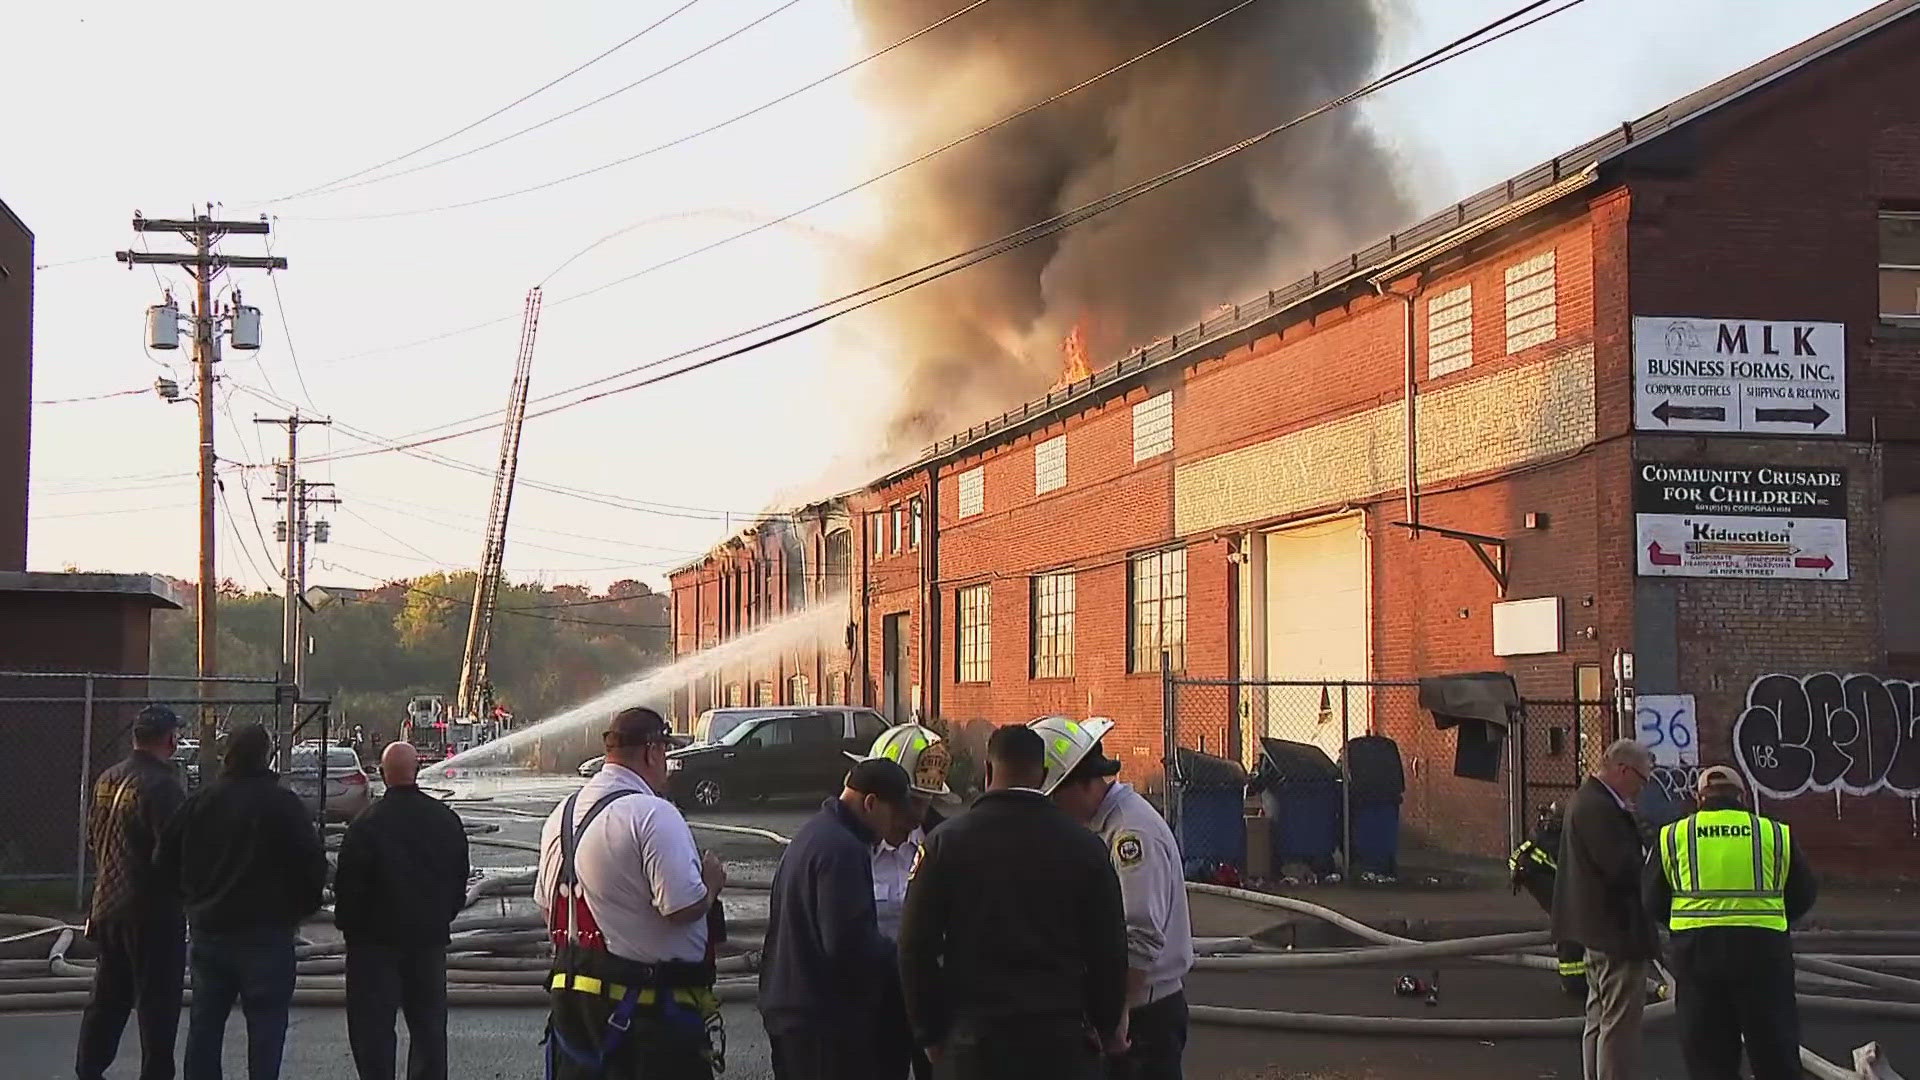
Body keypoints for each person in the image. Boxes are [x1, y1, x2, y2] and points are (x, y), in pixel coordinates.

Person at [898, 724, 1129, 1080]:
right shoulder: (1084, 848)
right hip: (1060, 1042)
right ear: (1045, 775)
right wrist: (1104, 1024)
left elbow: (915, 947)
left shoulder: (945, 844)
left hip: (974, 1041)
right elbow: (1109, 949)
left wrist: (929, 1032)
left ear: (987, 770)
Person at [536, 706, 728, 1080]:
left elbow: (549, 909)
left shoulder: (563, 813)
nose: (667, 765)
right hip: (648, 1021)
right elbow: (682, 908)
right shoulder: (653, 814)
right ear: (652, 751)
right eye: (666, 755)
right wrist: (711, 885)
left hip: (576, 1014)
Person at [156, 722, 328, 1080]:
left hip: (210, 929)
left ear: (227, 754)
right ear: (266, 755)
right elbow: (313, 865)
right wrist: (299, 909)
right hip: (267, 932)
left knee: (205, 1024)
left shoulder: (200, 802)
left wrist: (191, 900)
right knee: (266, 1027)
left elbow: (163, 860)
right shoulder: (282, 804)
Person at [1031, 715, 1194, 1080]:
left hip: (1143, 1015)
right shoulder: (1103, 826)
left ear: (1082, 785)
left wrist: (1115, 1021)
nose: (1053, 810)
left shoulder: (1129, 835)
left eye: (1055, 797)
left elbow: (1139, 936)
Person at [1644, 765, 1816, 1080]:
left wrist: (1686, 924)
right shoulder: (1774, 833)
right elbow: (1803, 894)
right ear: (1743, 797)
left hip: (1698, 957)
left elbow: (1653, 899)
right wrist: (1770, 918)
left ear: (1699, 798)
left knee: (1710, 1060)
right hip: (1763, 956)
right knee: (1775, 1054)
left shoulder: (1674, 835)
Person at [760, 757, 919, 1079]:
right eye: (894, 815)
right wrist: (904, 956)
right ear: (871, 803)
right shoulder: (843, 850)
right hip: (822, 1023)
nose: (893, 828)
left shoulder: (814, 834)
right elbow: (849, 945)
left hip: (793, 1012)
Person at [334, 741, 472, 1080]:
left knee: (373, 1033)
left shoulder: (365, 825)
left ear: (382, 774)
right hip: (428, 942)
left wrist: (352, 931)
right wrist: (442, 917)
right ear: (418, 772)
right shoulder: (445, 820)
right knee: (428, 1029)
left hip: (373, 946)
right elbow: (459, 879)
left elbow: (348, 889)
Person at [76, 704, 189, 1080]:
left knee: (107, 998)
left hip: (107, 905)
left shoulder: (108, 778)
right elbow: (175, 852)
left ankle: (88, 1068)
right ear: (170, 739)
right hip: (151, 914)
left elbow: (94, 838)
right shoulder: (163, 787)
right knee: (158, 1006)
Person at [846, 723, 955, 1080]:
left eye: (929, 802)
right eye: (913, 801)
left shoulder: (942, 846)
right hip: (867, 1004)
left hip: (928, 1001)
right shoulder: (844, 851)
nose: (920, 815)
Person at [1552, 738, 1659, 1080]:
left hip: (1595, 926)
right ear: (1623, 769)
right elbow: (1623, 869)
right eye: (1642, 779)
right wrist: (1649, 858)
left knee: (1599, 1017)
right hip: (1616, 929)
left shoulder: (1590, 801)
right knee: (1620, 1025)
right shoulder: (1600, 808)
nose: (1642, 788)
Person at [1509, 802, 1588, 997]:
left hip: (1534, 875)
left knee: (1569, 916)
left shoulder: (1543, 835)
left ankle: (1578, 975)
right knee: (1567, 919)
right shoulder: (1555, 841)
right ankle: (1573, 981)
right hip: (1535, 877)